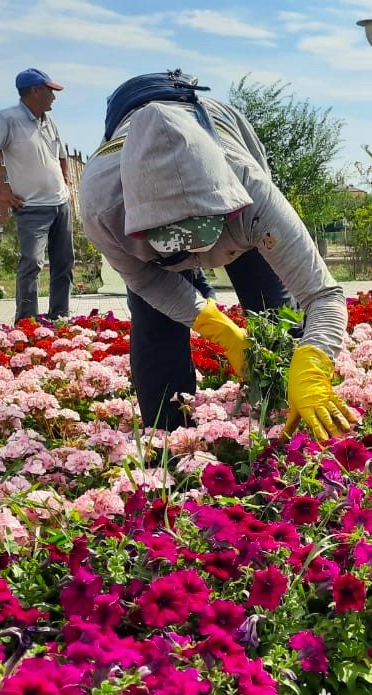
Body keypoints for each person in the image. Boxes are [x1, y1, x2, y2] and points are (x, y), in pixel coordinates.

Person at [80, 71, 356, 437]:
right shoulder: (104, 211)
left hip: (233, 188)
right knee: (156, 325)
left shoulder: (252, 192)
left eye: (203, 231)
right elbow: (146, 279)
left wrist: (312, 364)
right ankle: (169, 439)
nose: (197, 252)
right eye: (174, 237)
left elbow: (322, 294)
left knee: (275, 313)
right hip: (139, 210)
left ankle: (283, 419)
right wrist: (218, 327)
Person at [0, 68, 74, 324]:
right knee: (32, 262)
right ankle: (27, 322)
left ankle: (59, 315)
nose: (54, 97)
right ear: (35, 90)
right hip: (32, 206)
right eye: (50, 91)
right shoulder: (7, 118)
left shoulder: (48, 120)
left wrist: (67, 179)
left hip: (60, 203)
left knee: (64, 262)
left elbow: (61, 153)